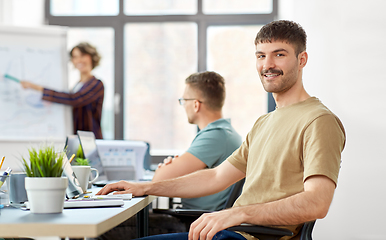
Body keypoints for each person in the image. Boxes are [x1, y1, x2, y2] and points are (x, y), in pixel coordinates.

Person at [97, 20, 346, 240]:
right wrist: (145, 187)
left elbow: (317, 202)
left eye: (279, 55)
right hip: (229, 232)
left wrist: (237, 214)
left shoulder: (318, 121)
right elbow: (216, 177)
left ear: (301, 59)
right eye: (260, 56)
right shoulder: (264, 123)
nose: (267, 65)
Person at [96, 71, 242, 239]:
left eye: (184, 101)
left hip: (193, 223)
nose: (183, 105)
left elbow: (159, 179)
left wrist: (167, 168)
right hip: (199, 220)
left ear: (196, 104)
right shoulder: (224, 132)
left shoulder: (215, 135)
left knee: (104, 228)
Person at [20, 42, 104, 139]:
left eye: (82, 55)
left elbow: (74, 99)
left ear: (91, 57)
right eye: (75, 57)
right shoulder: (76, 85)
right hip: (76, 138)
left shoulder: (96, 84)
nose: (78, 60)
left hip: (90, 138)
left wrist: (37, 87)